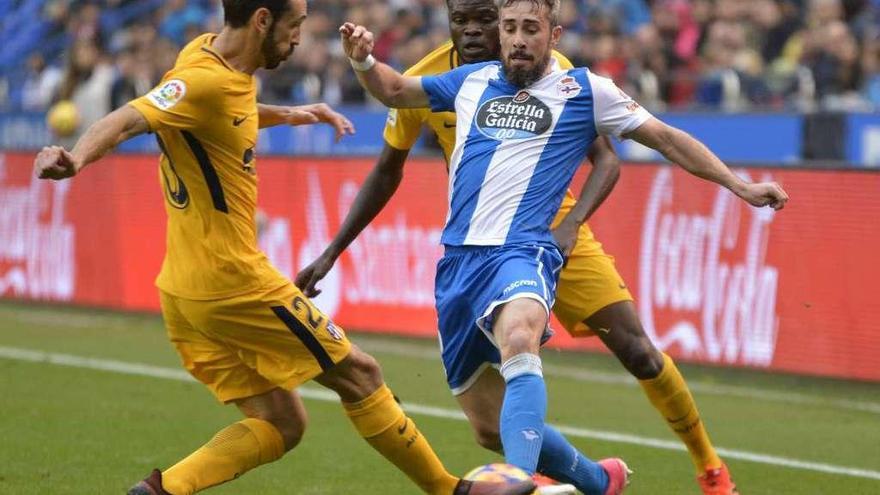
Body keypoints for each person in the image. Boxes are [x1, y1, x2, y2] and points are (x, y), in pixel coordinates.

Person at [32, 2, 536, 495]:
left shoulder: (204, 57)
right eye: (294, 26)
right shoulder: (201, 80)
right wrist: (75, 158)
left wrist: (289, 114)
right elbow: (128, 118)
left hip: (182, 293)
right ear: (262, 20)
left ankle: (162, 491)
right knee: (360, 373)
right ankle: (450, 490)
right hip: (233, 281)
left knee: (282, 422)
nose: (299, 39)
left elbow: (221, 110)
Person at [295, 1, 768, 494]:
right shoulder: (465, 81)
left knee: (541, 338)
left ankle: (538, 480)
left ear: (553, 35)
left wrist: (739, 185)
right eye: (507, 28)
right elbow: (391, 91)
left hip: (535, 242)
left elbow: (662, 140)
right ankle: (596, 481)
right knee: (487, 425)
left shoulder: (579, 86)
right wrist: (362, 60)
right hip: (461, 261)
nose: (512, 37)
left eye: (527, 29)